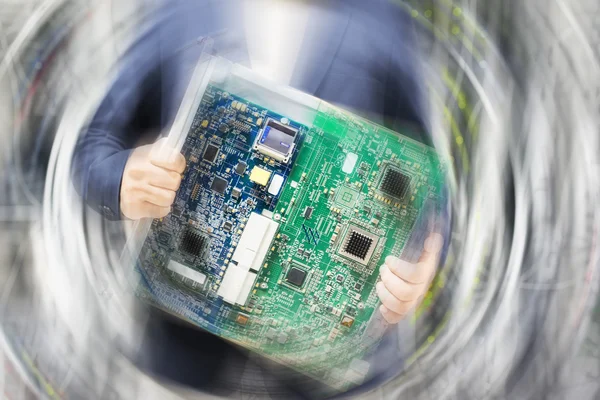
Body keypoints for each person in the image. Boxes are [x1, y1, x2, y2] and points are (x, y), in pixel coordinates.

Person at [72, 0, 444, 397]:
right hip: (184, 365)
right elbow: (92, 146)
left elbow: (430, 181)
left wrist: (425, 261)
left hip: (321, 368)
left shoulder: (383, 17)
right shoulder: (180, 9)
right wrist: (123, 179)